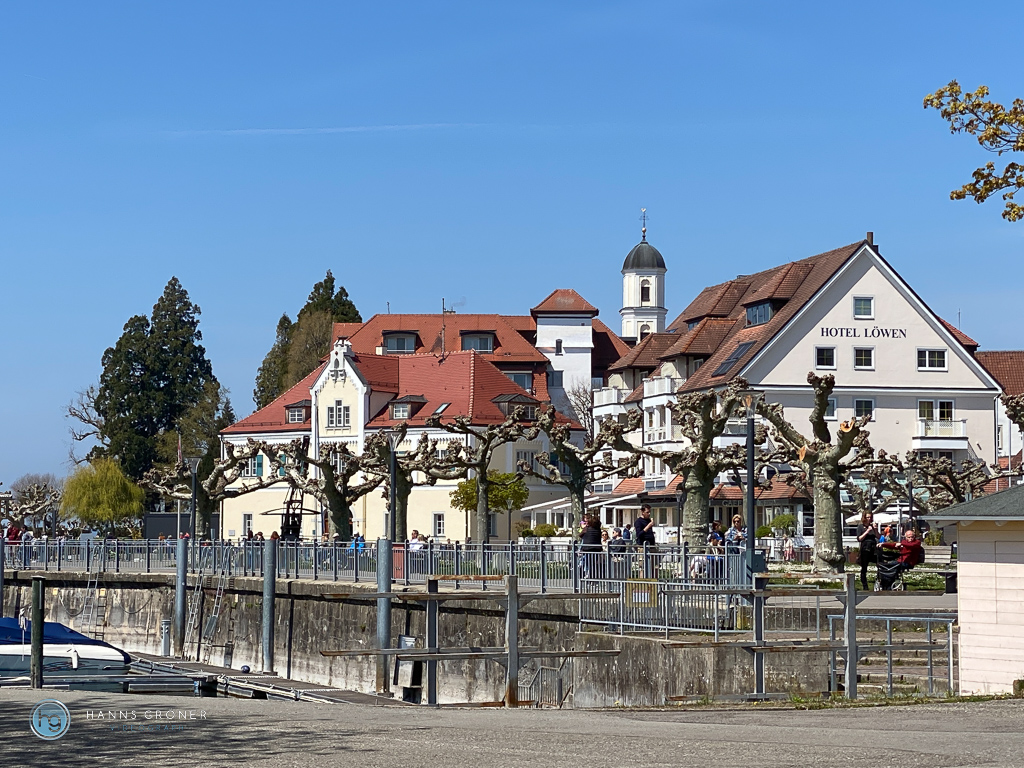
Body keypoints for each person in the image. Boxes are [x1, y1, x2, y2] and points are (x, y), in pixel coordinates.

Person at [856, 511, 879, 590]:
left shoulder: (873, 526)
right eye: (868, 517)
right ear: (864, 518)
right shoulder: (861, 527)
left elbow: (878, 537)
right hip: (865, 548)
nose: (869, 519)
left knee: (879, 564)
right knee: (864, 567)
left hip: (873, 547)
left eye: (870, 517)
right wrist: (867, 531)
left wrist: (875, 529)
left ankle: (879, 581)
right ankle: (864, 585)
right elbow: (859, 538)